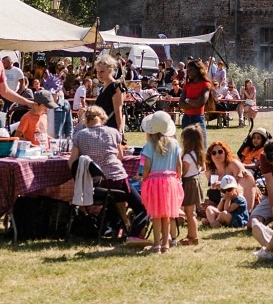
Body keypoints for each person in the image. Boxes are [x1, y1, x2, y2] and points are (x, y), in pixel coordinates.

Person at [72, 105, 137, 239]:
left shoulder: (79, 135)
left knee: (111, 194)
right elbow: (120, 157)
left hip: (95, 186)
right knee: (136, 201)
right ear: (103, 118)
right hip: (118, 182)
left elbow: (72, 162)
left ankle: (118, 225)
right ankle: (127, 225)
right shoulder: (114, 132)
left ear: (86, 119)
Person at [137, 110, 183, 254]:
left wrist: (144, 178)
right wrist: (178, 178)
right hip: (170, 181)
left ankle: (157, 245)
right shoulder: (174, 143)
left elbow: (147, 165)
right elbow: (179, 164)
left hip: (155, 182)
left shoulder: (150, 145)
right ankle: (166, 244)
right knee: (167, 215)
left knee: (156, 215)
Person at [179, 124, 206, 245]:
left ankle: (193, 237)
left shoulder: (187, 156)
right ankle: (190, 234)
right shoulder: (198, 153)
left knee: (189, 213)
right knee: (191, 212)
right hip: (196, 181)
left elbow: (183, 172)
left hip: (189, 183)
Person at [92, 55, 127, 137]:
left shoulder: (115, 87)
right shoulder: (103, 87)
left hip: (111, 129)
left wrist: (120, 133)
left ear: (110, 70)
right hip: (101, 128)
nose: (99, 74)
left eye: (102, 71)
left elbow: (118, 111)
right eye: (97, 71)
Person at [180, 59, 214, 131]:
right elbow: (180, 104)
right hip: (186, 118)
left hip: (198, 118)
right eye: (188, 70)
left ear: (198, 70)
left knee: (202, 142)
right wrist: (194, 102)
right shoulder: (187, 85)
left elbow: (201, 103)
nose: (188, 72)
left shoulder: (206, 85)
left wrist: (187, 100)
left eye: (191, 70)